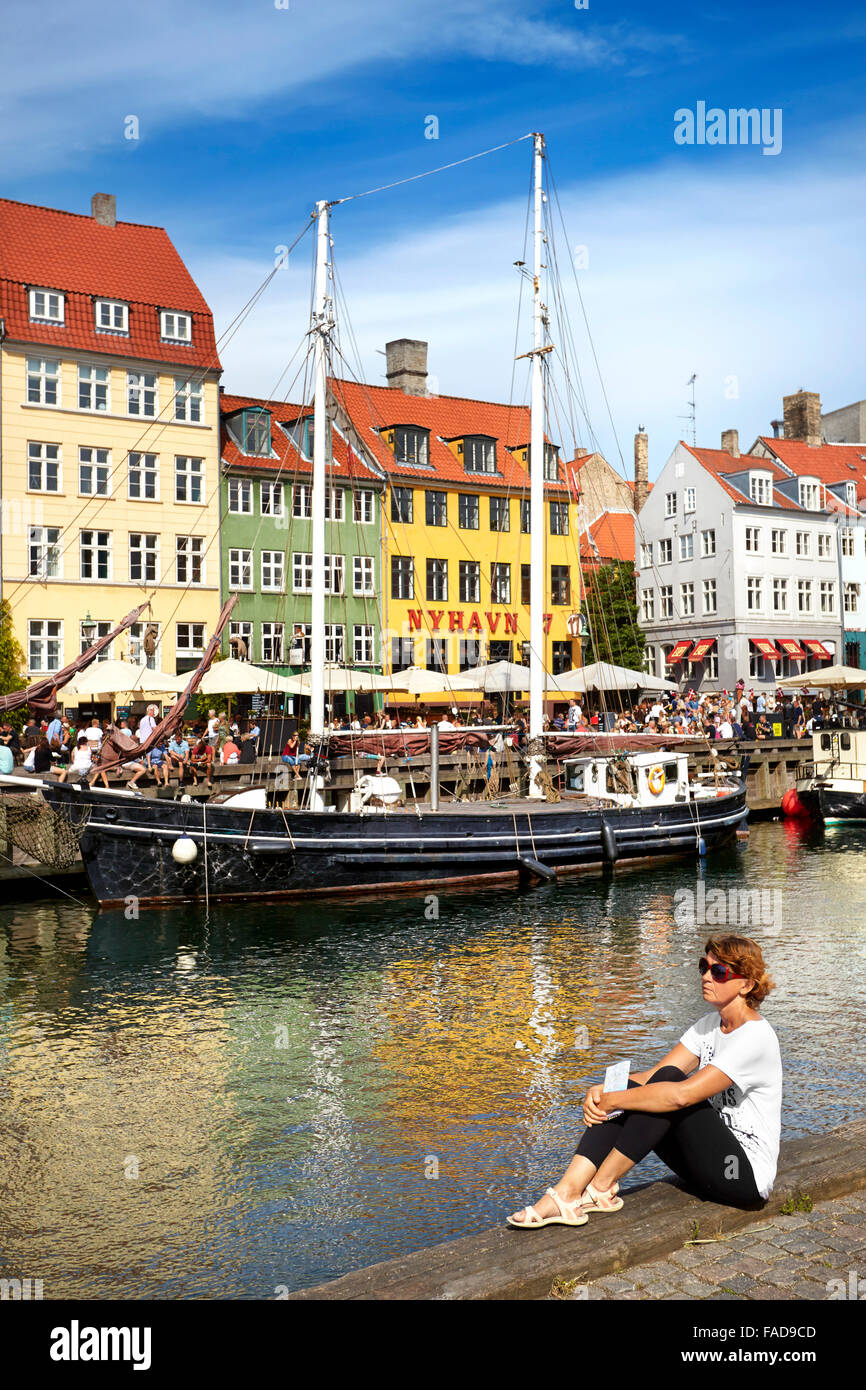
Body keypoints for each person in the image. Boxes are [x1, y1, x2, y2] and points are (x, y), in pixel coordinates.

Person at [508, 935, 781, 1227]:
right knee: (643, 1086)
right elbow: (652, 1076)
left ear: (746, 984)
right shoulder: (708, 1027)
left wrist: (618, 1099)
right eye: (704, 966)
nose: (705, 976)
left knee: (668, 1088)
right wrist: (604, 1092)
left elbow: (681, 1096)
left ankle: (599, 1187)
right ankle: (567, 1191)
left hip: (740, 1176)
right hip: (706, 1164)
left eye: (718, 972)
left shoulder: (755, 1038)